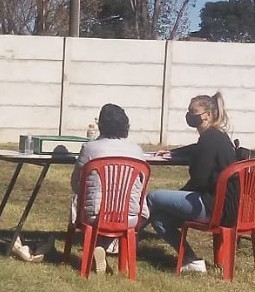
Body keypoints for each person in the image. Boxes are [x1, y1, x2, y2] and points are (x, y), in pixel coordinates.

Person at [147, 92, 237, 274]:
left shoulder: (209, 139)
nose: (190, 115)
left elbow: (199, 179)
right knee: (160, 218)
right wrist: (173, 152)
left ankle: (122, 238)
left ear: (208, 115)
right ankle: (191, 260)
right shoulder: (218, 136)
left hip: (213, 208)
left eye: (194, 112)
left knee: (153, 197)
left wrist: (181, 193)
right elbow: (196, 149)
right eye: (188, 111)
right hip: (228, 208)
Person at [70, 103, 148, 274]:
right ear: (126, 125)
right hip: (130, 216)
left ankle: (98, 246)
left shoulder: (89, 148)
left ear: (101, 125)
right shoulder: (137, 150)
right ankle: (106, 249)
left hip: (94, 215)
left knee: (80, 201)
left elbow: (76, 183)